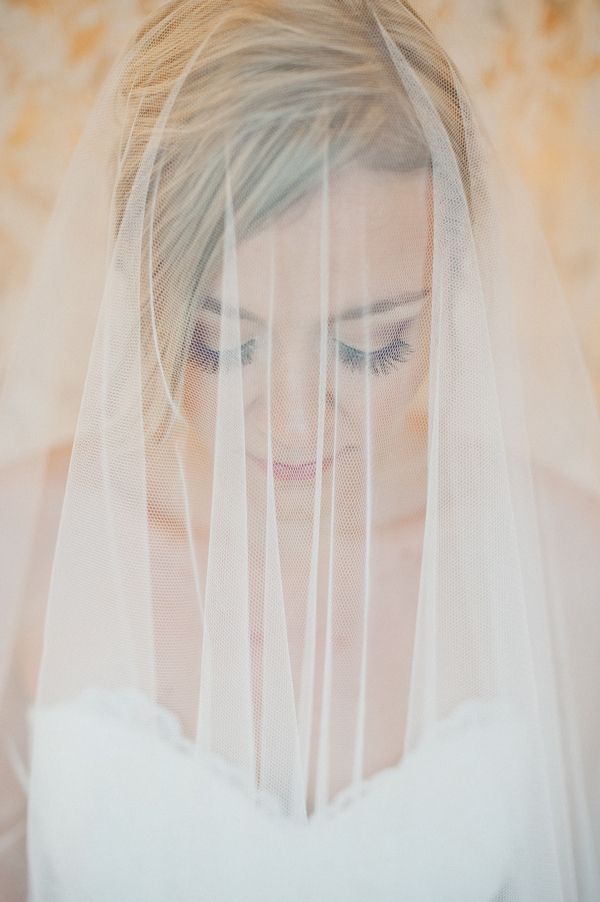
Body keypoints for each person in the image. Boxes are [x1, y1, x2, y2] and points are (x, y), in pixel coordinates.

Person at [0, 1, 598, 899]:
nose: (290, 426)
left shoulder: (562, 562)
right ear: (143, 280)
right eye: (221, 341)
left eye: (367, 348)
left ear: (455, 278)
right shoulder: (24, 541)